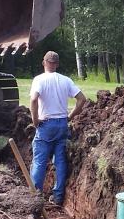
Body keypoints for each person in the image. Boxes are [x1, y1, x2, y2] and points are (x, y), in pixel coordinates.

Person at [29, 51, 88, 206]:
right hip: (62, 123)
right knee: (60, 160)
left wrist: (35, 120)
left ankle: (35, 198)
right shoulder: (65, 80)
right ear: (57, 64)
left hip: (46, 124)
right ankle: (58, 197)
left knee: (39, 161)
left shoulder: (39, 80)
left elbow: (34, 99)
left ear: (44, 62)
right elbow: (82, 99)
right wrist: (70, 116)